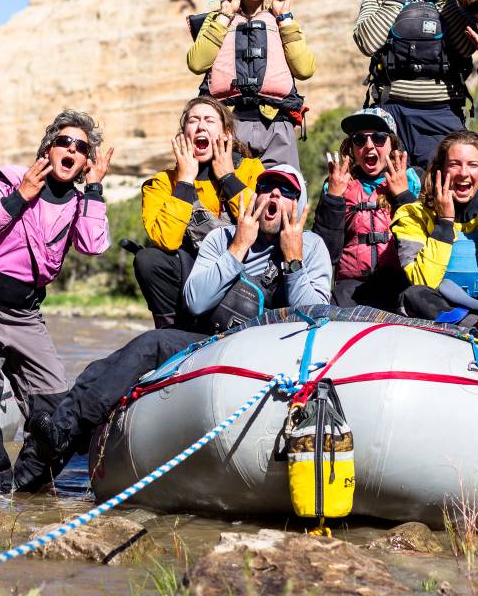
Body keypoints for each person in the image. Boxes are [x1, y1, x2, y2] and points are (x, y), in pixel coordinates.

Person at [27, 165, 331, 462]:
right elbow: (196, 302)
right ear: (255, 197)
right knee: (105, 366)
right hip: (214, 344)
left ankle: (63, 433)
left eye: (287, 190)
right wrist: (238, 248)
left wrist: (293, 260)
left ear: (299, 205)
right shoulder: (223, 238)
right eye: (266, 187)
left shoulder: (312, 247)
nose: (274, 194)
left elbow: (316, 318)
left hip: (271, 357)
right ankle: (49, 449)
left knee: (137, 351)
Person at [0, 110, 113, 495]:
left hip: (25, 313)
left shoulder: (80, 201)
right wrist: (20, 196)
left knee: (54, 403)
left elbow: (93, 245)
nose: (71, 149)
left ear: (86, 162)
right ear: (48, 148)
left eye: (81, 148)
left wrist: (95, 190)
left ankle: (28, 482)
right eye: (64, 142)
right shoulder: (5, 179)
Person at [353, 0, 475, 168]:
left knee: (444, 184)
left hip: (444, 111)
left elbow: (466, 46)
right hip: (391, 112)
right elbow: (367, 43)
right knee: (390, 189)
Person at [135, 96, 264, 328]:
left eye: (209, 120)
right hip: (194, 277)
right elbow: (166, 240)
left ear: (226, 133)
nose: (201, 126)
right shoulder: (162, 183)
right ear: (184, 133)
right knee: (148, 260)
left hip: (246, 271)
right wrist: (185, 181)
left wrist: (228, 178)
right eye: (193, 120)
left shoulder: (251, 169)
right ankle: (172, 331)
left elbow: (263, 225)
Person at [186, 0, 315, 170]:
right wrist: (225, 14)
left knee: (280, 190)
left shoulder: (283, 20)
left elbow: (305, 69)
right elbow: (196, 63)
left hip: (276, 127)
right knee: (229, 189)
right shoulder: (216, 20)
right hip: (228, 127)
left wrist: (284, 17)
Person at [391, 130, 478, 333]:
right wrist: (444, 224)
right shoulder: (413, 215)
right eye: (454, 164)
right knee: (413, 295)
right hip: (445, 307)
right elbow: (423, 282)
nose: (464, 173)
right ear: (440, 170)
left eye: (473, 165)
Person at [311, 107, 421, 310]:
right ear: (352, 148)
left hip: (399, 285)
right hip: (350, 290)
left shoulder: (413, 182)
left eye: (379, 138)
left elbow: (421, 246)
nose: (369, 145)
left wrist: (403, 196)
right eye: (359, 139)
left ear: (392, 144)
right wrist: (333, 199)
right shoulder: (338, 185)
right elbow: (325, 253)